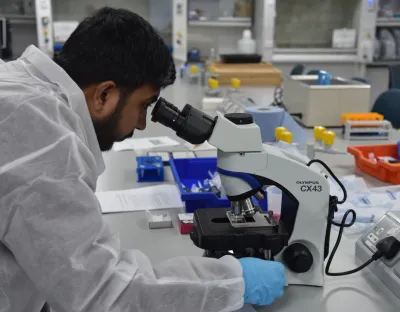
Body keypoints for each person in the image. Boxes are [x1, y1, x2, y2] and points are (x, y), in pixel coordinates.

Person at [0, 7, 285, 312]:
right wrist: (234, 282)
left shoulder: (21, 89)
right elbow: (104, 293)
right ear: (104, 95)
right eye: (143, 105)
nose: (141, 124)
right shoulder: (41, 136)